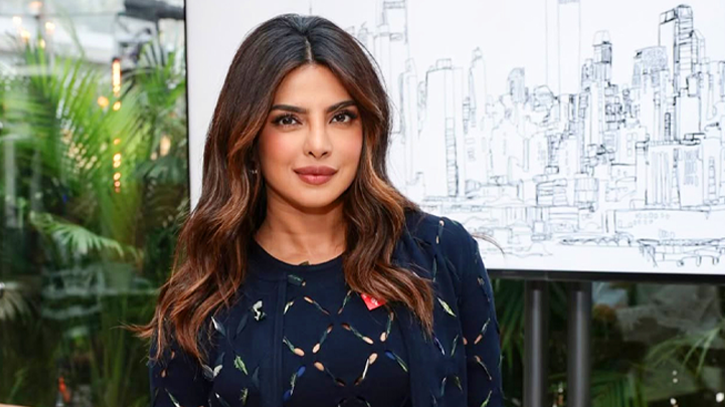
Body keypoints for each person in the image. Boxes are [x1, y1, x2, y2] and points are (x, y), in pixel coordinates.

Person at [132, 13, 503, 407]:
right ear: (249, 135)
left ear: (366, 129)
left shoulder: (441, 253)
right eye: (288, 120)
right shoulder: (201, 301)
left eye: (341, 117)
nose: (319, 144)